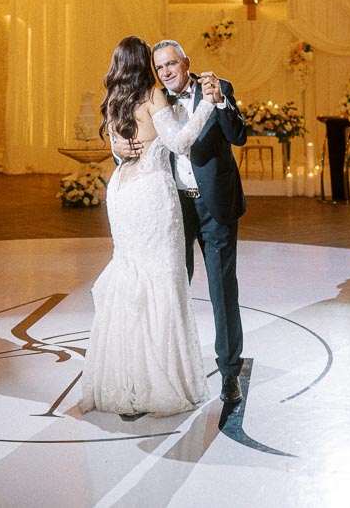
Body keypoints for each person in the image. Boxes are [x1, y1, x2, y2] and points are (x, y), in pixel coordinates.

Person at [80, 36, 219, 417]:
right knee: (162, 281)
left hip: (122, 193)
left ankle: (124, 379)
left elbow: (119, 146)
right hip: (152, 197)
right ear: (145, 64)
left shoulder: (113, 101)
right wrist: (206, 105)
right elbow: (179, 142)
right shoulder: (152, 95)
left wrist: (116, 147)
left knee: (130, 280)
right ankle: (159, 382)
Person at [111, 38, 250, 404]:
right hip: (172, 210)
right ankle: (167, 371)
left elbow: (239, 135)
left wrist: (217, 100)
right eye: (159, 67)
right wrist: (117, 149)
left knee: (222, 292)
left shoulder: (216, 88)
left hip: (215, 206)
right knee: (171, 289)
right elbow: (136, 142)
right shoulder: (154, 98)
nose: (166, 72)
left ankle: (229, 372)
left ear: (186, 62)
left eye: (171, 64)